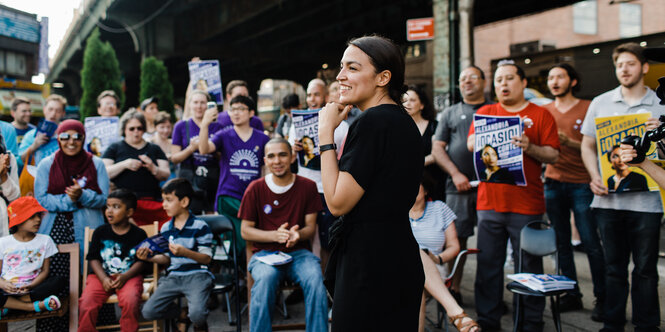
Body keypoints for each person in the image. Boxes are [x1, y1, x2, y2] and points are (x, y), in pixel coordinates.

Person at [318, 35, 424, 331]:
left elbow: (337, 202)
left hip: (370, 265)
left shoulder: (372, 122)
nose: (340, 76)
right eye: (341, 67)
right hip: (398, 254)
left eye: (352, 68)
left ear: (383, 77)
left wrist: (325, 135)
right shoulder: (403, 122)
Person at [467, 61, 559, 332]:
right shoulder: (486, 112)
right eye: (498, 80)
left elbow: (553, 154)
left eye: (509, 78)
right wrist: (478, 141)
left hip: (527, 204)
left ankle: (530, 322)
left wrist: (530, 147)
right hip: (489, 204)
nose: (503, 85)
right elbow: (472, 143)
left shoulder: (541, 115)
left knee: (528, 267)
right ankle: (487, 321)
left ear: (523, 83)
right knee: (488, 266)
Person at [580, 43, 664, 332]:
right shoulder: (600, 102)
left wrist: (661, 135)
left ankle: (647, 325)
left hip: (648, 204)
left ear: (644, 67)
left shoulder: (660, 103)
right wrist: (594, 176)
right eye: (619, 65)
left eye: (630, 63)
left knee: (645, 271)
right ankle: (612, 323)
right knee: (613, 269)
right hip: (608, 203)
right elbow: (587, 145)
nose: (624, 69)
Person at [238, 138, 328, 332]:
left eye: (282, 154)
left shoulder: (308, 186)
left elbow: (310, 228)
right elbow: (245, 230)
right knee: (265, 280)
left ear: (292, 156)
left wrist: (297, 234)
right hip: (264, 255)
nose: (277, 161)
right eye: (271, 156)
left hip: (299, 254)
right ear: (265, 160)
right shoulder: (255, 188)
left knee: (316, 280)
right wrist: (275, 236)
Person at [542, 63, 606, 317]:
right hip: (553, 182)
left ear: (573, 81)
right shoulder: (543, 110)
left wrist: (571, 142)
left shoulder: (588, 107)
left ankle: (603, 297)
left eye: (560, 76)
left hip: (582, 182)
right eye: (550, 78)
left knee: (591, 241)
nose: (554, 81)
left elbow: (600, 145)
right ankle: (570, 293)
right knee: (560, 242)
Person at [34, 120, 108, 331]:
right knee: (56, 279)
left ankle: (91, 325)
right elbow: (41, 198)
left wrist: (83, 195)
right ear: (58, 138)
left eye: (77, 137)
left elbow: (104, 198)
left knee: (89, 277)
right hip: (56, 229)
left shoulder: (97, 164)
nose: (71, 142)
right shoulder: (46, 164)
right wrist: (70, 200)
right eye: (65, 136)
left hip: (88, 228)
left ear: (84, 138)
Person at [432, 65, 489, 303]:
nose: (467, 82)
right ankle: (454, 288)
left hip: (490, 187)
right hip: (458, 188)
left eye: (473, 77)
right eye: (462, 78)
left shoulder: (495, 110)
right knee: (458, 241)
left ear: (484, 82)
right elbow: (437, 148)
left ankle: (488, 295)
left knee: (490, 244)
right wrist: (455, 174)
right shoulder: (450, 113)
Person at [289, 78, 349, 273]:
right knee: (304, 238)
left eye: (316, 94)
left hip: (326, 190)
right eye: (308, 94)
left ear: (324, 96)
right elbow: (289, 160)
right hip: (304, 188)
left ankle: (328, 284)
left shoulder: (342, 125)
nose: (311, 99)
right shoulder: (296, 123)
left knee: (327, 240)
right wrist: (293, 149)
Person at [139, 178, 214, 332]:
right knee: (148, 311)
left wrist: (185, 252)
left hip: (198, 275)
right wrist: (149, 257)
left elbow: (207, 259)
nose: (163, 205)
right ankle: (182, 314)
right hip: (174, 276)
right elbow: (167, 258)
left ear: (184, 202)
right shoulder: (166, 227)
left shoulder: (200, 226)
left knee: (198, 315)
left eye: (168, 200)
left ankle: (198, 322)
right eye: (163, 200)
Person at [199, 95, 270, 254]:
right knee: (244, 241)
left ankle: (248, 273)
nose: (236, 113)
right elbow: (204, 149)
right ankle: (246, 274)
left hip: (252, 196)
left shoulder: (263, 138)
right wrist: (205, 125)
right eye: (233, 109)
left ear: (251, 113)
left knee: (251, 240)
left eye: (241, 109)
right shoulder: (224, 135)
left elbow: (266, 169)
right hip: (229, 196)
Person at [409, 175, 479, 332]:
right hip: (401, 270)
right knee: (413, 255)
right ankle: (456, 313)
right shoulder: (397, 211)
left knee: (415, 283)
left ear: (426, 190)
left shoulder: (439, 209)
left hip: (434, 269)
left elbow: (454, 246)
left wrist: (438, 258)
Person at [78, 189, 147, 332]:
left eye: (116, 207)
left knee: (130, 300)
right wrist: (103, 278)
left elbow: (142, 261)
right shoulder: (100, 232)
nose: (109, 211)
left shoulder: (139, 234)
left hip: (129, 277)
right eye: (108, 206)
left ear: (129, 212)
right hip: (100, 277)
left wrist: (126, 276)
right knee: (87, 302)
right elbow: (93, 258)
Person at [102, 110, 170, 227]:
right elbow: (104, 172)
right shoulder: (115, 148)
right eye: (131, 129)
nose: (136, 132)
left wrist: (153, 168)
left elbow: (166, 173)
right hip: (124, 203)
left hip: (151, 202)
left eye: (140, 128)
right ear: (124, 129)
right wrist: (124, 164)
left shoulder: (154, 148)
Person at [0, 197, 64, 316]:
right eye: (32, 216)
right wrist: (4, 285)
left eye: (39, 216)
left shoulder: (45, 241)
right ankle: (31, 307)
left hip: (32, 289)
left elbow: (45, 271)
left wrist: (31, 285)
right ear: (18, 219)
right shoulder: (3, 243)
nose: (38, 220)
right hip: (7, 290)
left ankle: (10, 305)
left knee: (59, 281)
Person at [171, 91, 224, 214]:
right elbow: (174, 158)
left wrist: (211, 149)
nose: (199, 106)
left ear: (208, 105)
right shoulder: (181, 126)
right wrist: (191, 148)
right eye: (195, 102)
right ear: (189, 104)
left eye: (202, 103)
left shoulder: (218, 127)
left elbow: (223, 157)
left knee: (212, 214)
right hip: (190, 178)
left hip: (212, 178)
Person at [19, 94, 66, 167]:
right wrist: (34, 146)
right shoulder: (31, 135)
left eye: (58, 111)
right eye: (50, 109)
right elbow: (19, 161)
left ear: (63, 113)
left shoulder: (67, 135)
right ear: (44, 110)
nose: (53, 114)